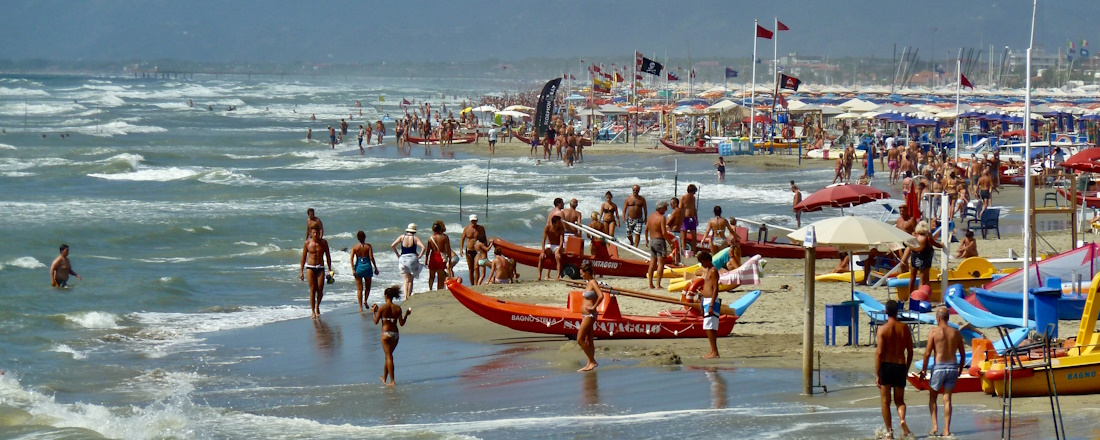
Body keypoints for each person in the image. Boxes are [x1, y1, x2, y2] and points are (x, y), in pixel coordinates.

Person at [919, 307, 966, 438]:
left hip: (939, 367)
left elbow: (927, 354)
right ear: (948, 318)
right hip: (952, 367)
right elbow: (962, 354)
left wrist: (923, 370)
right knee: (947, 400)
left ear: (938, 318)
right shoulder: (956, 333)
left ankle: (935, 426)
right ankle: (946, 430)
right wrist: (960, 369)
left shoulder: (933, 332)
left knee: (933, 397)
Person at [875, 299, 914, 440]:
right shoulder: (904, 328)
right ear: (897, 311)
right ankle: (902, 419)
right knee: (900, 401)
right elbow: (910, 351)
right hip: (900, 366)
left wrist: (877, 373)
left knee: (885, 401)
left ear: (886, 311)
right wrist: (906, 368)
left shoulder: (882, 329)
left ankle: (889, 432)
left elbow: (879, 353)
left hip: (886, 366)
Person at [372, 285, 411, 386]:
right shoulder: (397, 308)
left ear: (385, 296)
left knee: (388, 356)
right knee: (388, 356)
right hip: (395, 334)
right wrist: (406, 315)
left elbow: (376, 322)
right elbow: (401, 323)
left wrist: (373, 312)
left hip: (385, 334)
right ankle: (385, 378)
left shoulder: (382, 308)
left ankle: (392, 381)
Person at [575, 260, 604, 372]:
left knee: (580, 339)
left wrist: (593, 307)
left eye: (582, 273)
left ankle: (592, 361)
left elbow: (601, 295)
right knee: (589, 340)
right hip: (585, 315)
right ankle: (589, 364)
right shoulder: (588, 283)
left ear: (587, 272)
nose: (581, 275)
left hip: (590, 315)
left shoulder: (593, 282)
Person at [300, 225, 332, 319]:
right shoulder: (307, 243)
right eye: (313, 233)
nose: (316, 234)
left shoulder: (323, 243)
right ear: (310, 234)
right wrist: (301, 271)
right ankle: (313, 311)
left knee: (320, 289)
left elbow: (328, 256)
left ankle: (317, 306)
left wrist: (330, 269)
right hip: (310, 267)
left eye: (317, 233)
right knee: (313, 289)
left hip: (320, 267)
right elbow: (303, 257)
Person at [906, 221, 943, 294]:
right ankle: (920, 296)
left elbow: (910, 246)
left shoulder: (914, 236)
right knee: (923, 281)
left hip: (914, 257)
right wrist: (942, 244)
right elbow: (938, 245)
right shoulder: (927, 238)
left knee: (912, 278)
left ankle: (910, 296)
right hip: (924, 259)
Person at [391, 223, 425, 300]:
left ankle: (405, 297)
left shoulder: (402, 237)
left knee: (405, 280)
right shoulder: (415, 238)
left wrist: (397, 254)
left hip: (402, 259)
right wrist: (419, 256)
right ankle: (409, 296)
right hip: (412, 259)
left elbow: (393, 245)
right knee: (411, 280)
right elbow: (423, 247)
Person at [698, 251, 721, 359]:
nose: (701, 264)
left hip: (711, 301)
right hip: (706, 300)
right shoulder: (708, 271)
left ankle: (715, 352)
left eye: (702, 262)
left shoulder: (713, 271)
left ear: (707, 260)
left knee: (709, 326)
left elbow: (716, 288)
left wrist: (711, 305)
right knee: (709, 327)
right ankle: (712, 350)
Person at [350, 231, 378, 312]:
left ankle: (360, 307)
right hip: (367, 267)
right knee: (368, 287)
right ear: (364, 237)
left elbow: (351, 259)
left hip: (358, 268)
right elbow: (371, 257)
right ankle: (365, 300)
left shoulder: (355, 247)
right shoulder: (368, 246)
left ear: (358, 238)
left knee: (359, 289)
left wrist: (353, 269)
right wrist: (375, 268)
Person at [646, 201, 670, 289]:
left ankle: (650, 284)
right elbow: (664, 232)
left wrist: (646, 240)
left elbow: (646, 229)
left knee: (652, 263)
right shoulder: (662, 218)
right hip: (659, 241)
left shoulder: (650, 216)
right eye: (665, 208)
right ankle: (658, 285)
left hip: (652, 240)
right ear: (660, 208)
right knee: (660, 264)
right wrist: (670, 242)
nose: (666, 210)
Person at [425, 220, 453, 290]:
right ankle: (439, 289)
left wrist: (426, 259)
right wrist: (449, 259)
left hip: (433, 257)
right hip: (441, 257)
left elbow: (428, 250)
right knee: (440, 276)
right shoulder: (444, 237)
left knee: (431, 276)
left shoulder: (430, 238)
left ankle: (430, 289)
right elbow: (448, 249)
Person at [460, 214, 487, 286]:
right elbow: (462, 239)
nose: (473, 222)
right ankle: (472, 284)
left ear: (477, 220)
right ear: (470, 221)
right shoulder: (466, 229)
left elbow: (484, 239)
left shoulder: (481, 228)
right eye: (472, 221)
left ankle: (476, 284)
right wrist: (461, 249)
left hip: (478, 251)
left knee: (476, 267)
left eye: (475, 221)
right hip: (469, 250)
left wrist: (485, 250)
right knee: (471, 269)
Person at [539, 215, 566, 280]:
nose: (560, 223)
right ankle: (539, 276)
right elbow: (543, 240)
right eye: (558, 222)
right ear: (554, 223)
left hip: (557, 246)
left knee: (558, 257)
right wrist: (543, 252)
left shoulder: (561, 228)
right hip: (549, 245)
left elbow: (561, 241)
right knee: (541, 257)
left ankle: (557, 276)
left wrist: (558, 250)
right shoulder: (548, 227)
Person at [680, 184, 699, 255]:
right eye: (694, 192)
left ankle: (694, 252)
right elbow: (680, 209)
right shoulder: (683, 198)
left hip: (692, 219)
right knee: (684, 237)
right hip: (684, 219)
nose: (694, 194)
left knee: (694, 236)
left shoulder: (693, 198)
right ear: (690, 191)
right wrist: (680, 220)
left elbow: (694, 208)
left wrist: (696, 218)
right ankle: (684, 251)